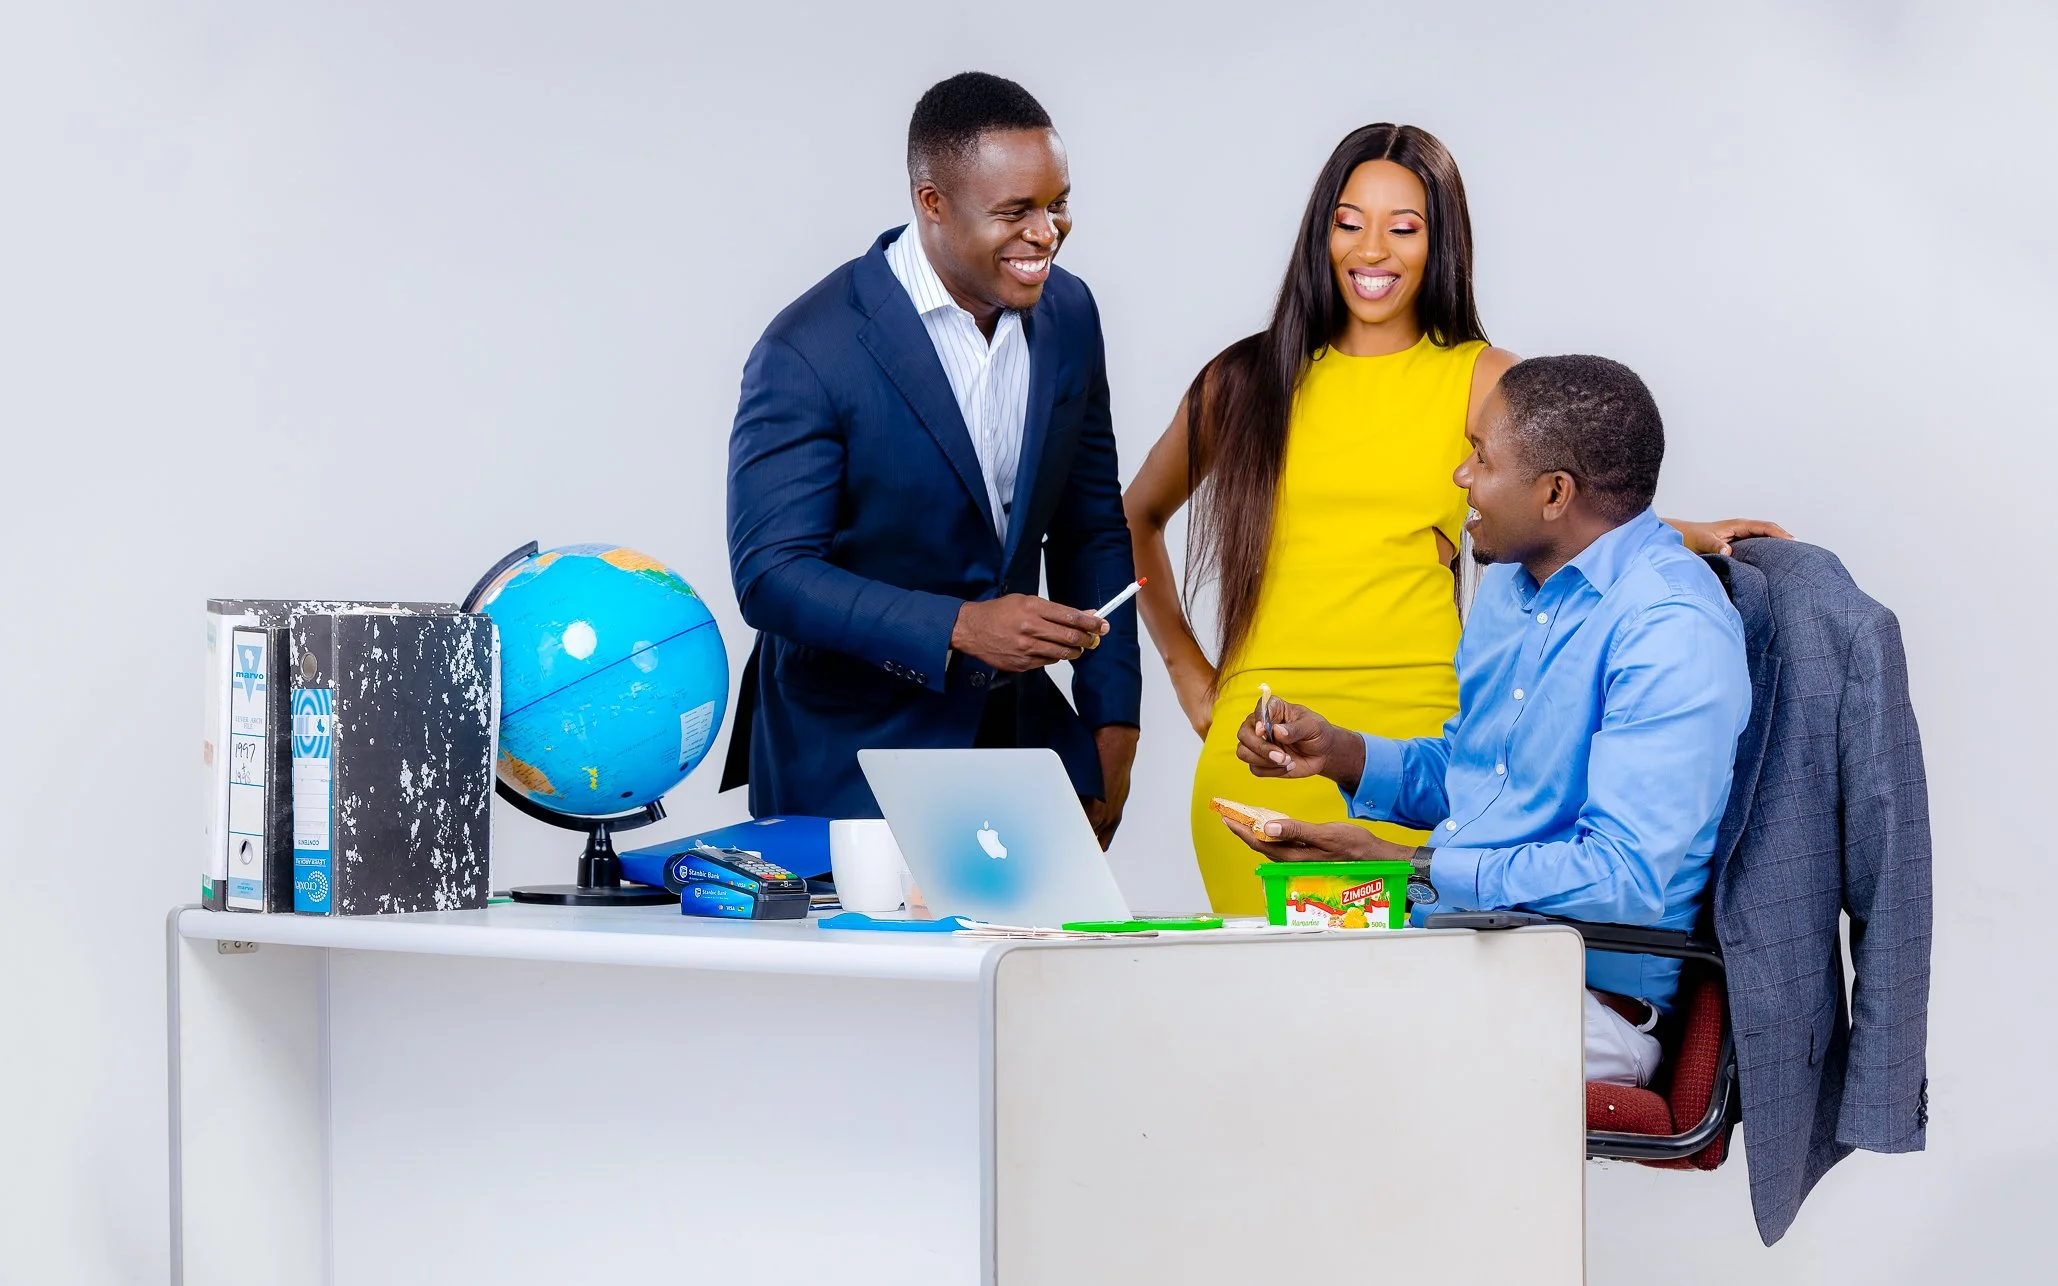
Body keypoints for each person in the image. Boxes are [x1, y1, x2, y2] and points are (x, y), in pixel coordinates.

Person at [1123, 124, 1786, 913]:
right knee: (1270, 1015)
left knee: (1395, 1012)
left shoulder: (1482, 376)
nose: (1373, 250)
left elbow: (1566, 495)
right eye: (1348, 222)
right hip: (1267, 748)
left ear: (1440, 243)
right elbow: (1131, 518)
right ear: (1319, 233)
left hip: (1421, 751)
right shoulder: (1243, 381)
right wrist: (1189, 676)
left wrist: (1692, 535)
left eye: (1404, 228)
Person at [1219, 354, 1751, 1086]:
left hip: (1578, 998)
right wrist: (1341, 754)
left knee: (1281, 1057)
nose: (1460, 478)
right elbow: (1484, 776)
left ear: (1554, 493)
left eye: (1480, 457)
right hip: (1454, 950)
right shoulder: (1509, 586)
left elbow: (1620, 876)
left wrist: (1403, 870)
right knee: (1215, 986)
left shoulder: (1669, 630)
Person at [726, 72, 1139, 841]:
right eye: (1015, 212)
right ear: (932, 204)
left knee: (1022, 963)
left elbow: (1091, 526)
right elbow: (772, 575)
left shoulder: (1072, 313)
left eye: (1057, 204)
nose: (1046, 233)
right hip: (846, 757)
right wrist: (959, 627)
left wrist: (1115, 723)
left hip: (1022, 745)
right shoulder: (808, 349)